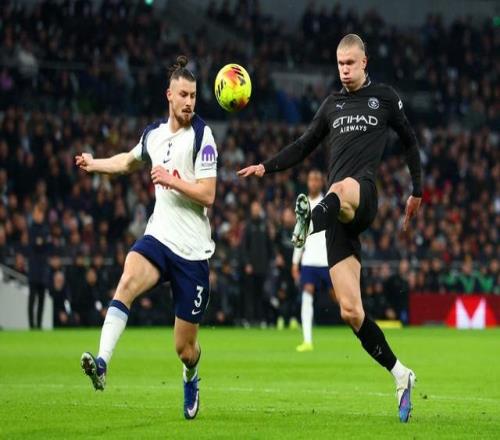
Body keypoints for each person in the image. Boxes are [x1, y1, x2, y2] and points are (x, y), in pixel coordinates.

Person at [238, 34, 422, 422]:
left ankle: (308, 222)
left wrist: (417, 190)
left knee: (337, 188)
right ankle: (400, 374)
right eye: (340, 63)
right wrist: (266, 166)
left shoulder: (384, 98)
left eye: (350, 63)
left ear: (364, 62)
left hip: (362, 196)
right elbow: (303, 145)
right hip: (338, 218)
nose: (344, 69)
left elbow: (409, 141)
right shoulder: (331, 105)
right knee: (351, 312)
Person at [75, 56, 218, 420]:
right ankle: (102, 363)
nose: (189, 102)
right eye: (183, 95)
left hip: (192, 252)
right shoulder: (153, 134)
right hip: (158, 237)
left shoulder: (203, 136)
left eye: (193, 96)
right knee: (127, 280)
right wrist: (94, 163)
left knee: (185, 349)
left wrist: (171, 180)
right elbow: (127, 161)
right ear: (169, 95)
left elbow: (208, 195)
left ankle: (191, 376)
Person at [291, 170, 333, 352]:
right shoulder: (303, 205)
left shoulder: (328, 203)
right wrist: (295, 262)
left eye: (317, 179)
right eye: (311, 179)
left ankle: (361, 329)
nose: (314, 183)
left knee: (341, 299)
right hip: (309, 260)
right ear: (307, 182)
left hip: (327, 259)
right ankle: (307, 340)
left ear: (321, 183)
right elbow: (299, 232)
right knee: (306, 295)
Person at [27, 202, 50, 329]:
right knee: (32, 298)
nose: (38, 215)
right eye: (36, 213)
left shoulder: (45, 229)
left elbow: (45, 243)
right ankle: (32, 325)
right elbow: (35, 244)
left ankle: (39, 325)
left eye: (40, 213)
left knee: (41, 299)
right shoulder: (31, 229)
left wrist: (41, 242)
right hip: (34, 268)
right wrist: (41, 242)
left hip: (42, 269)